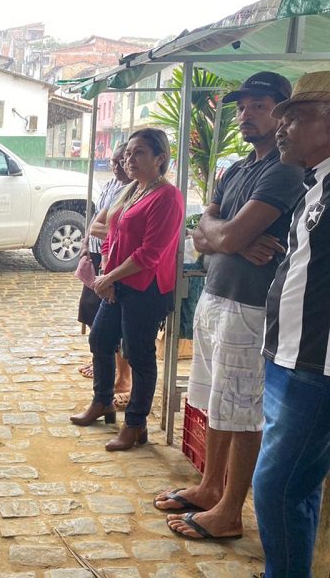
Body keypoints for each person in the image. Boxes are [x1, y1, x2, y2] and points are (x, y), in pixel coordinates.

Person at [161, 72, 304, 542]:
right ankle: (209, 488)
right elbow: (201, 233)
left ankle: (230, 511)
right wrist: (233, 242)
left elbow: (216, 232)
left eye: (259, 106)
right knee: (215, 400)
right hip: (217, 295)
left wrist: (223, 236)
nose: (247, 115)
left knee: (243, 411)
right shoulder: (235, 169)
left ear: (282, 113)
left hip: (252, 306)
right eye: (242, 107)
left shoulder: (284, 171)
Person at [251, 70, 330, 577]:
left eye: (295, 117)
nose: (281, 127)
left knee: (277, 486)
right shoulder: (316, 185)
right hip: (290, 359)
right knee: (298, 485)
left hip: (313, 368)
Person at [70, 128, 184, 452]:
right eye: (128, 153)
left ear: (160, 158)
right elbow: (111, 231)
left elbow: (150, 254)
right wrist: (106, 269)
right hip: (119, 282)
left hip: (145, 288)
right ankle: (103, 401)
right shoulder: (133, 189)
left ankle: (136, 424)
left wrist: (109, 277)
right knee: (100, 338)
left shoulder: (167, 197)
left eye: (139, 153)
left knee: (139, 355)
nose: (129, 159)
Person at [77, 142, 132, 409]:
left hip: (126, 272)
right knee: (96, 326)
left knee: (125, 335)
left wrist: (112, 235)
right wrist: (93, 248)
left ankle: (124, 382)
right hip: (105, 262)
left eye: (128, 158)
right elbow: (99, 225)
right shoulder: (113, 187)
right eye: (117, 160)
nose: (121, 165)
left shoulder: (148, 194)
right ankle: (102, 395)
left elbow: (137, 242)